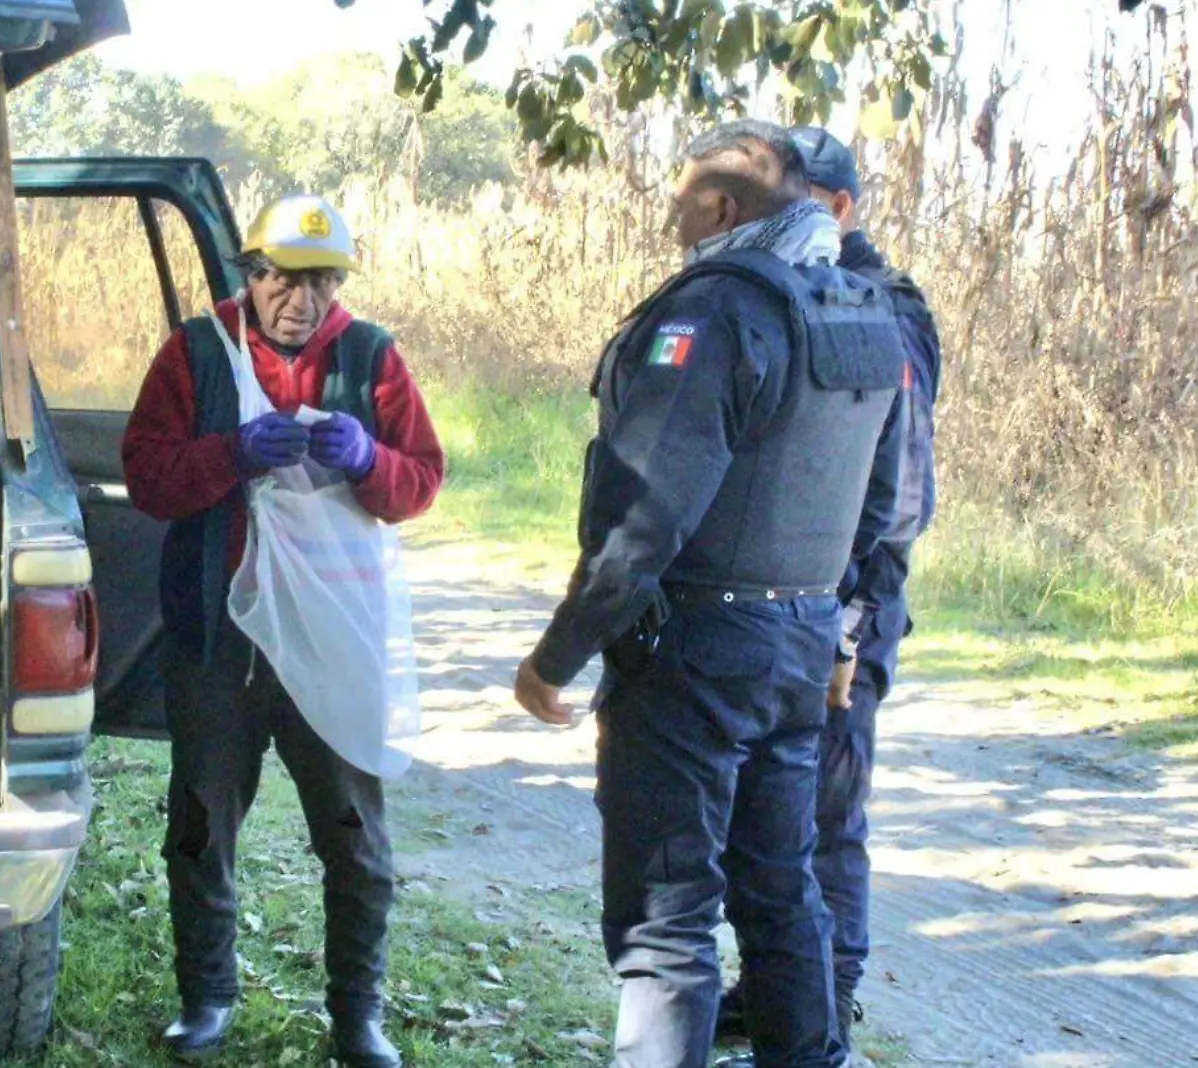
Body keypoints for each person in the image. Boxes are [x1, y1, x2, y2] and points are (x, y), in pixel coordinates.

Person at [512, 120, 908, 1068]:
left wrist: (554, 658)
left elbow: (645, 520)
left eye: (684, 196)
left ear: (724, 208)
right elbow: (882, 504)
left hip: (694, 651)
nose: (670, 212)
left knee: (666, 923)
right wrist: (843, 632)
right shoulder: (859, 308)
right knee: (782, 893)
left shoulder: (714, 314)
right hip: (802, 642)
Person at [122, 194, 445, 1067]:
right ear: (251, 275)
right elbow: (146, 476)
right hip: (219, 634)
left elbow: (421, 480)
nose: (302, 301)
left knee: (353, 832)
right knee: (201, 820)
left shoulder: (371, 357)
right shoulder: (195, 353)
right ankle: (207, 998)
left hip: (334, 636)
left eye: (322, 282)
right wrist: (229, 453)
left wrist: (369, 459)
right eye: (283, 280)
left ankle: (356, 1014)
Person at [711, 126, 945, 1061]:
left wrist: (850, 621)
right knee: (764, 808)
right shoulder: (791, 293)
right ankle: (775, 987)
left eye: (793, 203)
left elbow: (900, 493)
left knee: (825, 809)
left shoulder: (875, 310)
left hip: (846, 604)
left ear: (839, 210)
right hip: (783, 599)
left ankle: (828, 993)